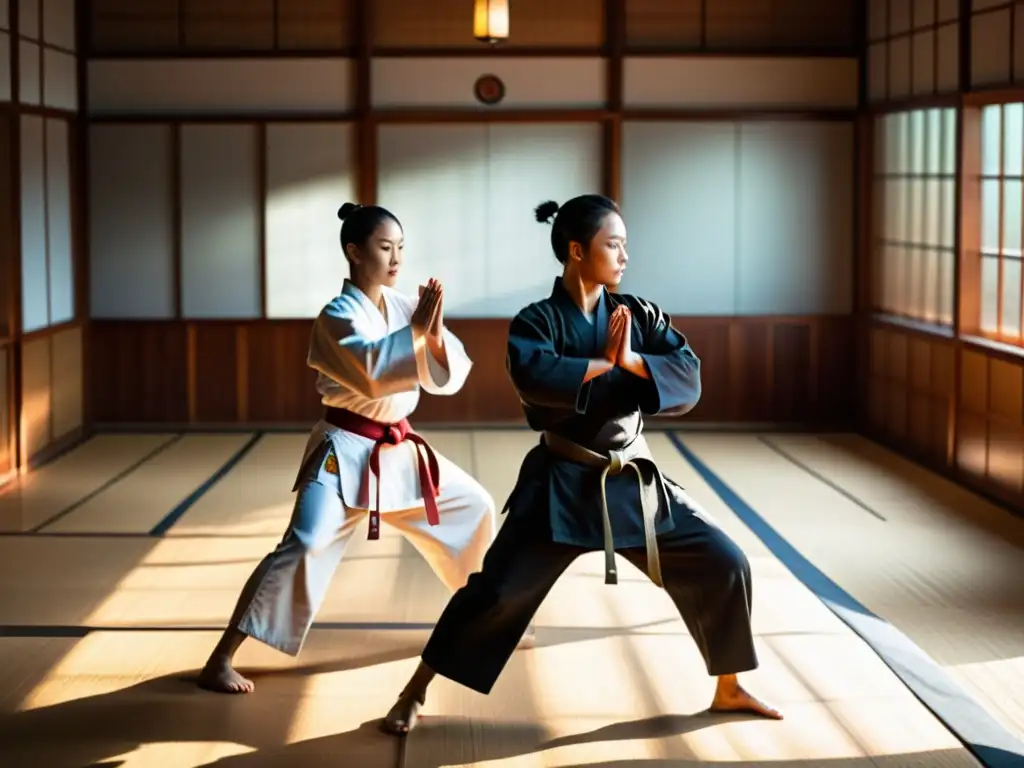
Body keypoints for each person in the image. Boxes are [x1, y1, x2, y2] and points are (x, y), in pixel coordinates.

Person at [381, 194, 783, 733]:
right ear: (576, 250)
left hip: (631, 483)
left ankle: (729, 687)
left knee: (724, 560)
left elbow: (688, 374)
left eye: (625, 245)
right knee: (496, 593)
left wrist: (634, 359)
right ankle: (414, 691)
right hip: (561, 486)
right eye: (612, 245)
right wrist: (604, 364)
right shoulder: (537, 321)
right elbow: (534, 376)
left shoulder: (638, 314)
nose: (624, 256)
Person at [197, 202, 499, 694]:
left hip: (398, 452)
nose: (396, 258)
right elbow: (371, 372)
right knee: (306, 542)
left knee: (475, 506)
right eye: (385, 247)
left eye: (401, 248)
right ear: (354, 252)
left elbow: (450, 369)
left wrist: (433, 332)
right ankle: (221, 658)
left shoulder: (403, 306)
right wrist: (418, 333)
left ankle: (487, 618)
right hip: (345, 452)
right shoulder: (336, 316)